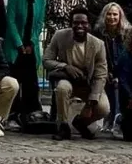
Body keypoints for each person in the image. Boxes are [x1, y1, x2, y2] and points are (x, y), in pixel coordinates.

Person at [43, 9, 110, 141]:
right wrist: (65, 66)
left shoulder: (98, 44)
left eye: (83, 23)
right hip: (67, 80)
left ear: (89, 25)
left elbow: (101, 74)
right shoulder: (60, 36)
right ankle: (63, 126)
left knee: (104, 108)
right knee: (62, 88)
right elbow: (46, 60)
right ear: (71, 24)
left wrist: (91, 103)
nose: (79, 26)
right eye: (76, 23)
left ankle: (80, 122)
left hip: (88, 83)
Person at [4, 0, 46, 118]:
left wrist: (32, 43)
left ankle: (31, 115)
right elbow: (11, 21)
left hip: (31, 47)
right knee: (15, 80)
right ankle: (13, 114)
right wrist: (19, 44)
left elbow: (40, 23)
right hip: (15, 47)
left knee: (31, 83)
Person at [94, 1, 131, 136]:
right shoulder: (99, 33)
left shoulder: (127, 33)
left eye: (115, 14)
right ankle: (108, 119)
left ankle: (116, 119)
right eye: (109, 14)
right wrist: (108, 72)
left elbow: (127, 55)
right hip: (105, 69)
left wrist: (118, 74)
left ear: (120, 16)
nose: (112, 17)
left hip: (123, 71)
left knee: (118, 85)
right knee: (109, 85)